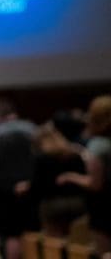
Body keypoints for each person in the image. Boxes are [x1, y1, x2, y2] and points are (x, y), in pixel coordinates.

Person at [0, 99, 38, 259]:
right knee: (31, 231)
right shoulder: (31, 129)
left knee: (11, 233)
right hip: (29, 186)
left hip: (4, 189)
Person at [57, 95, 111, 256]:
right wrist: (82, 152)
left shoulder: (98, 144)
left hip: (104, 207)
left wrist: (70, 176)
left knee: (105, 253)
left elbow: (95, 183)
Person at [25, 124, 86, 237]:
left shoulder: (41, 158)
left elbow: (38, 186)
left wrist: (27, 189)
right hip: (77, 203)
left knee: (54, 244)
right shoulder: (74, 155)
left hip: (52, 205)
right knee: (77, 240)